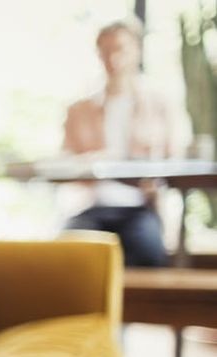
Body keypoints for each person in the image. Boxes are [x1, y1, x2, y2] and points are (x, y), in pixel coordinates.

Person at [61, 17, 188, 267]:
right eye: (105, 51)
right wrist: (89, 163)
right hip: (93, 206)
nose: (113, 59)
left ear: (137, 51)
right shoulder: (79, 109)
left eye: (120, 49)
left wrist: (156, 183)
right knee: (67, 255)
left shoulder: (161, 104)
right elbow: (64, 164)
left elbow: (177, 159)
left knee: (148, 251)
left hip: (141, 207)